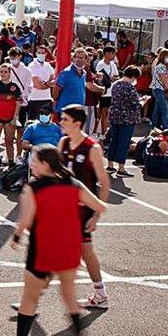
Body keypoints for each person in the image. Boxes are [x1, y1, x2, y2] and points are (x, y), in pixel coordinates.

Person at [2, 145, 107, 336]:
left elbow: (26, 220)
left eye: (35, 160)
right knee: (69, 297)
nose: (31, 164)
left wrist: (16, 237)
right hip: (69, 248)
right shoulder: (73, 183)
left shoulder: (33, 188)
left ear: (45, 164)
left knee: (29, 298)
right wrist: (87, 218)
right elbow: (99, 205)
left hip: (43, 249)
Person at [58, 105, 111, 309]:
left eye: (65, 119)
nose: (61, 123)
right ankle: (100, 294)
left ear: (77, 123)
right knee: (80, 250)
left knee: (83, 251)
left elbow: (104, 183)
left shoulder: (92, 148)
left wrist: (96, 215)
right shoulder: (63, 143)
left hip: (81, 209)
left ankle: (100, 294)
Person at [106, 66, 142, 175]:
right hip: (127, 118)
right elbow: (136, 104)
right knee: (124, 142)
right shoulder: (130, 88)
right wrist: (142, 101)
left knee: (114, 140)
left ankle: (110, 164)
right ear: (133, 76)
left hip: (115, 115)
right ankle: (121, 167)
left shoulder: (116, 84)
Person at [0, 63, 22, 165]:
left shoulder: (15, 87)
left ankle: (11, 163)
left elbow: (18, 104)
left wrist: (14, 118)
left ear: (10, 73)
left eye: (5, 72)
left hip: (10, 119)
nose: (3, 74)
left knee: (9, 142)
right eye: (1, 72)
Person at [94, 45, 119, 137]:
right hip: (103, 91)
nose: (113, 55)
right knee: (101, 112)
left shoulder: (112, 64)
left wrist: (113, 78)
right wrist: (108, 79)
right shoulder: (100, 64)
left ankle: (102, 133)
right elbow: (98, 78)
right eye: (112, 53)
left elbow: (117, 75)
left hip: (110, 92)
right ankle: (98, 132)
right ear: (106, 53)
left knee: (106, 112)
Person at [26, 45, 55, 120]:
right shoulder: (32, 66)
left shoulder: (48, 65)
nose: (41, 54)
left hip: (47, 99)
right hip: (34, 99)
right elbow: (37, 85)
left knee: (45, 122)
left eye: (43, 53)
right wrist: (48, 83)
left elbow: (54, 79)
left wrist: (45, 83)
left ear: (46, 54)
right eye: (39, 52)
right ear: (36, 53)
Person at [150, 48, 168, 130]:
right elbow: (164, 80)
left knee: (157, 109)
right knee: (165, 110)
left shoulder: (161, 66)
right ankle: (165, 128)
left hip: (158, 90)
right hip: (159, 90)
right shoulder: (161, 67)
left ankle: (154, 127)